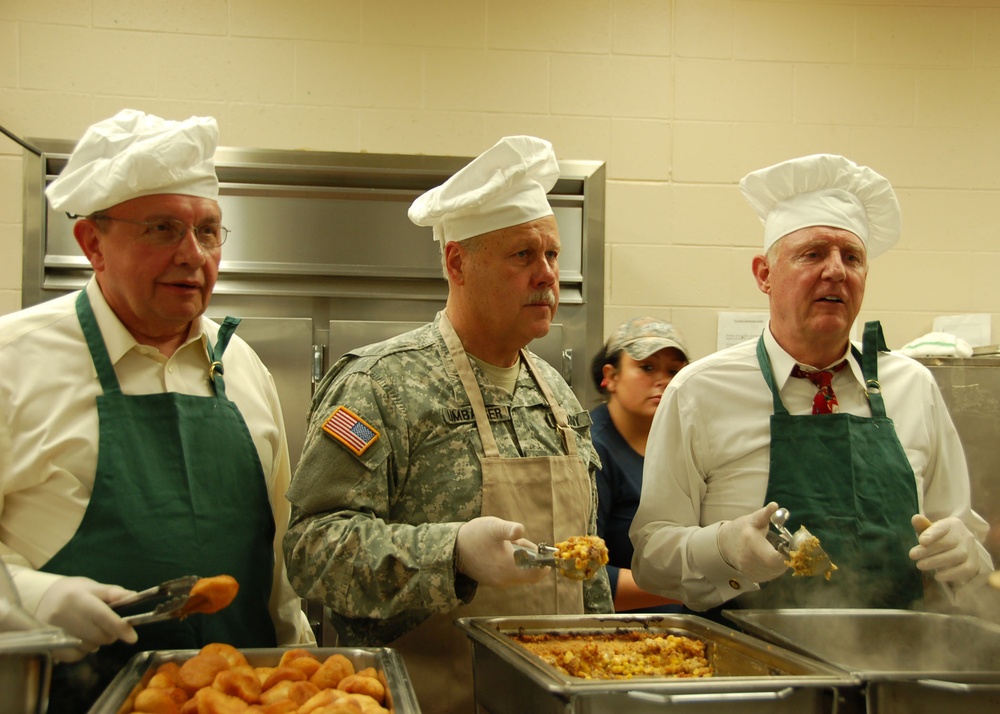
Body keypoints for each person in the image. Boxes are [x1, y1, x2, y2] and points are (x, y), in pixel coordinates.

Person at [283, 135, 613, 714]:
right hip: (426, 699)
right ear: (457, 262)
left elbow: (584, 572)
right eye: (522, 256)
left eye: (553, 256)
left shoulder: (557, 395)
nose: (546, 275)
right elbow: (313, 551)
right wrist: (450, 553)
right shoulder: (382, 385)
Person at [0, 109, 313, 711]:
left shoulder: (242, 366)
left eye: (210, 231)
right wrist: (34, 595)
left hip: (240, 695)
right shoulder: (14, 363)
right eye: (163, 229)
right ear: (93, 242)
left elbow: (277, 572)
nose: (193, 255)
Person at [630, 153, 993, 617]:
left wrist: (966, 553)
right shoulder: (699, 392)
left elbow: (962, 539)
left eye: (853, 257)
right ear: (764, 274)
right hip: (755, 668)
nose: (837, 271)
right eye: (813, 253)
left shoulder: (913, 386)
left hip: (898, 662)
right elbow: (650, 555)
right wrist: (723, 548)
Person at [590, 317, 688, 613]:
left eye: (674, 371)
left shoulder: (684, 442)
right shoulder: (592, 450)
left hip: (685, 627)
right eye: (647, 367)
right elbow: (581, 575)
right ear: (611, 376)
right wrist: (690, 588)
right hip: (619, 637)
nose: (663, 380)